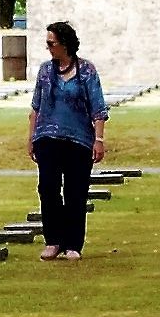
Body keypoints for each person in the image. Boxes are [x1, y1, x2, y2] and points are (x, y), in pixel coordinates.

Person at [28, 18, 107, 257]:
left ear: (65, 44)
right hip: (47, 138)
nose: (49, 48)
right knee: (48, 189)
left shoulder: (87, 71)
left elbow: (98, 109)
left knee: (76, 191)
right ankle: (53, 240)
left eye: (52, 43)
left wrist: (99, 140)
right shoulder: (45, 71)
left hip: (78, 140)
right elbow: (35, 107)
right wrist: (31, 138)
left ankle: (73, 244)